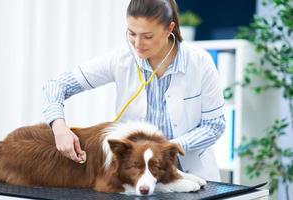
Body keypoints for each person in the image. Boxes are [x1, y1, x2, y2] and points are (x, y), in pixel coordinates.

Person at [42, 0, 225, 181]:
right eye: (132, 33)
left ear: (169, 29)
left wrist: (169, 148)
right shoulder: (121, 59)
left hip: (192, 174)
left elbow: (214, 125)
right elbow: (56, 86)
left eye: (147, 36)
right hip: (136, 178)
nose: (138, 44)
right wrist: (59, 128)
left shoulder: (200, 62)